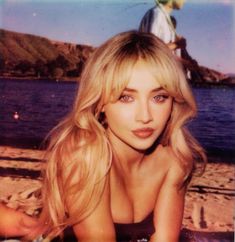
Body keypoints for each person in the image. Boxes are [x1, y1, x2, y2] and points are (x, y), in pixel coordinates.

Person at [32, 31, 206, 242]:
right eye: (126, 97)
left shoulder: (174, 161)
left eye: (159, 97)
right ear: (101, 102)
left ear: (173, 102)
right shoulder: (84, 156)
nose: (145, 116)